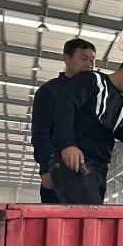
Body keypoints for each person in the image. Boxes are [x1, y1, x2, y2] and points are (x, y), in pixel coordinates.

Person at [50, 55, 123, 205]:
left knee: (91, 216)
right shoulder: (92, 80)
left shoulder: (122, 107)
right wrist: (67, 144)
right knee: (91, 216)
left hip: (99, 169)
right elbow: (66, 106)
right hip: (78, 160)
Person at [30, 39, 96, 203]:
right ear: (66, 58)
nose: (89, 63)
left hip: (89, 173)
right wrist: (45, 169)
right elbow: (41, 132)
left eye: (92, 59)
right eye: (83, 58)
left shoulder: (93, 94)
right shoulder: (51, 91)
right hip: (59, 171)